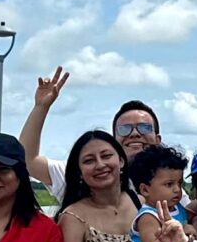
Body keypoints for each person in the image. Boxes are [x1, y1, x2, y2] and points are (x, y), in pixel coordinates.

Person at [15, 68, 162, 188]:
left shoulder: (171, 186)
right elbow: (28, 161)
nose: (135, 134)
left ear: (158, 139)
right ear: (114, 142)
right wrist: (41, 107)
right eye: (125, 129)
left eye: (144, 128)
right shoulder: (88, 176)